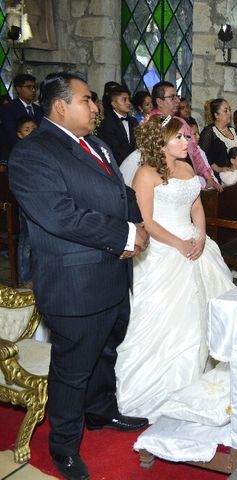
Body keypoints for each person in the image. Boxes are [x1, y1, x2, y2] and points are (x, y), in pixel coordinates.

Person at [9, 71, 149, 480]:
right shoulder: (33, 154)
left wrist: (139, 224)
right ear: (60, 106)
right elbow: (62, 216)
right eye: (87, 100)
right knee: (73, 369)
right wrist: (124, 233)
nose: (95, 107)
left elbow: (120, 193)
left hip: (111, 274)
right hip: (75, 284)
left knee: (105, 351)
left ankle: (102, 413)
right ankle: (64, 447)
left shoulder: (98, 145)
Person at [115, 116, 234, 422]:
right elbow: (148, 221)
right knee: (176, 318)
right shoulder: (145, 174)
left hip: (195, 243)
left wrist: (202, 235)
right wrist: (179, 244)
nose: (187, 142)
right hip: (163, 248)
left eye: (187, 137)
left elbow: (196, 206)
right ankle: (168, 383)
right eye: (180, 137)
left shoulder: (187, 168)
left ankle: (201, 377)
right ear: (161, 141)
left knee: (206, 311)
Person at [148, 81, 221, 191]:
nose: (177, 101)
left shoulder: (180, 121)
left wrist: (208, 176)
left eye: (177, 96)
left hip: (188, 175)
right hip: (163, 179)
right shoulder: (151, 123)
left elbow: (194, 151)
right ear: (160, 101)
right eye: (172, 97)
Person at [14, 117, 38, 287]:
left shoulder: (41, 149)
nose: (32, 132)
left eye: (34, 128)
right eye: (27, 129)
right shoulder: (19, 152)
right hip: (26, 202)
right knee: (26, 241)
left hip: (40, 201)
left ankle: (37, 274)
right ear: (20, 134)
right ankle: (25, 276)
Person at [96, 85, 138, 165]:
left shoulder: (133, 121)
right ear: (114, 104)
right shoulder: (107, 124)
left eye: (128, 99)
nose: (128, 103)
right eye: (124, 100)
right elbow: (112, 150)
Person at [0, 73, 43, 150]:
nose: (33, 90)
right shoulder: (8, 108)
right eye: (29, 87)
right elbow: (11, 135)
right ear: (18, 89)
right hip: (14, 151)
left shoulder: (38, 109)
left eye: (34, 87)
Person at [199, 98, 237, 172]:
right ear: (216, 115)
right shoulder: (209, 132)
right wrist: (219, 169)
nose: (229, 113)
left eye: (230, 110)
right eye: (225, 111)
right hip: (219, 175)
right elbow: (202, 156)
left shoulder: (234, 131)